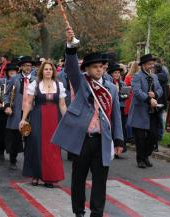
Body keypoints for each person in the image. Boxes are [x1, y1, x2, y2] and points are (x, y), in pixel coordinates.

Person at [52, 27, 124, 217]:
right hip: (83, 139)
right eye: (95, 67)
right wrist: (70, 45)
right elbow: (71, 66)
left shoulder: (111, 88)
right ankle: (78, 212)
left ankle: (97, 213)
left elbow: (115, 115)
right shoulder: (80, 81)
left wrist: (118, 140)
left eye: (101, 67)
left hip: (102, 140)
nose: (99, 70)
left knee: (100, 181)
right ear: (87, 69)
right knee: (78, 179)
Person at [20, 60, 67, 188]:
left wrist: (67, 120)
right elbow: (28, 103)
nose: (48, 71)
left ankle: (50, 177)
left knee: (52, 147)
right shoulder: (35, 84)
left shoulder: (59, 85)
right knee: (35, 145)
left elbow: (62, 104)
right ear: (42, 71)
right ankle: (35, 175)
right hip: (38, 117)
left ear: (53, 71)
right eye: (46, 69)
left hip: (54, 118)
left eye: (50, 69)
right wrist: (24, 119)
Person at [127, 54, 163, 168]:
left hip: (152, 111)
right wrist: (148, 99)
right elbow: (136, 91)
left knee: (154, 135)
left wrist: (155, 94)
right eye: (149, 64)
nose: (151, 66)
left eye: (152, 64)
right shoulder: (137, 76)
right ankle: (140, 159)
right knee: (140, 137)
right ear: (143, 65)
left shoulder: (155, 76)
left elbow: (160, 89)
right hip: (140, 111)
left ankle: (146, 155)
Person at [4, 56, 36, 170]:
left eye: (29, 65)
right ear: (21, 67)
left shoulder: (36, 79)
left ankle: (29, 161)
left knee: (30, 138)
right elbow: (6, 94)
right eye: (25, 65)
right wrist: (7, 106)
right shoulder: (14, 78)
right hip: (17, 111)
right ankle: (13, 160)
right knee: (15, 138)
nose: (28, 67)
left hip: (31, 113)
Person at [108, 63, 129, 157]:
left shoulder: (122, 83)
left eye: (118, 73)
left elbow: (125, 96)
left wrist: (122, 94)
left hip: (121, 107)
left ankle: (120, 146)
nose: (117, 75)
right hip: (113, 107)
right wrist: (118, 94)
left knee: (121, 127)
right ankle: (113, 147)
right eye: (115, 73)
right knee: (113, 126)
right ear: (111, 74)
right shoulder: (110, 84)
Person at [124, 61, 139, 143]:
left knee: (128, 117)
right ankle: (133, 135)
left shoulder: (128, 76)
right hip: (135, 98)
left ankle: (130, 136)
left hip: (129, 98)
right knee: (134, 117)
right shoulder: (139, 76)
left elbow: (125, 88)